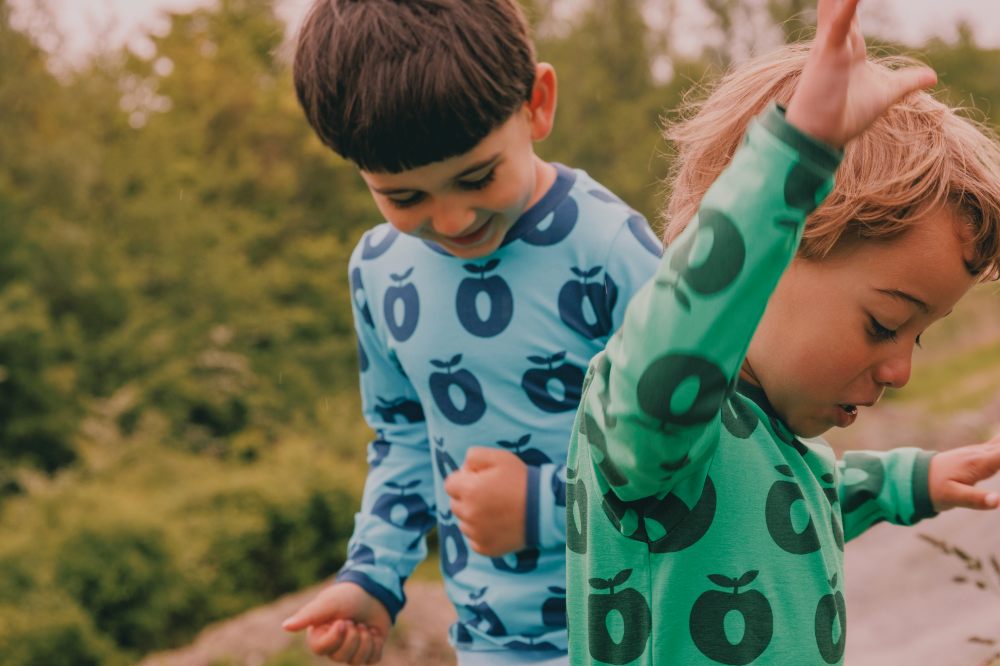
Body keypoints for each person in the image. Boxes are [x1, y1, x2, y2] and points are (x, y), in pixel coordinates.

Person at [565, 0, 1000, 663]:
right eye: (884, 323)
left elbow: (791, 504)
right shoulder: (653, 428)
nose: (900, 371)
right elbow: (682, 341)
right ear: (766, 260)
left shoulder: (767, 440)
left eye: (917, 336)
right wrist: (794, 159)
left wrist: (915, 481)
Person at [281, 1, 662, 664]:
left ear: (537, 104)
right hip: (491, 644)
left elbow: (703, 444)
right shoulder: (380, 273)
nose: (453, 220)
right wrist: (373, 578)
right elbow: (403, 437)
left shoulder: (607, 251)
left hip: (644, 631)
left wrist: (544, 508)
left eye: (478, 176)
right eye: (405, 197)